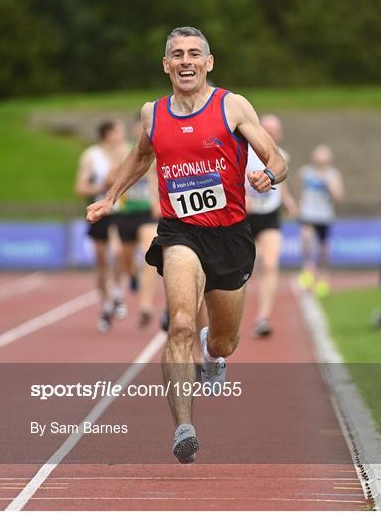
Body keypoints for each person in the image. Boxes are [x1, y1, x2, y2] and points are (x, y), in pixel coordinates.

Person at [86, 26, 288, 463]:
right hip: (179, 231)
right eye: (176, 54)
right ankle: (183, 426)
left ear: (208, 62)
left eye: (194, 53)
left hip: (230, 234)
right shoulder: (152, 113)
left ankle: (212, 352)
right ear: (166, 65)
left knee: (223, 343)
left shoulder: (231, 105)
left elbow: (276, 157)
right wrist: (111, 196)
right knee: (178, 324)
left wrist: (267, 175)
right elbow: (141, 156)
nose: (185, 61)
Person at [245, 114, 297, 337]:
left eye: (274, 130)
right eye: (266, 129)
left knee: (270, 262)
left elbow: (281, 184)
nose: (270, 133)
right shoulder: (244, 153)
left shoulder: (282, 155)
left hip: (269, 216)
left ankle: (263, 317)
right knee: (240, 269)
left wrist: (289, 202)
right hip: (244, 215)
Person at [75, 120, 128, 332]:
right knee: (102, 263)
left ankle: (116, 295)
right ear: (108, 134)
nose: (122, 135)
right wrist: (101, 186)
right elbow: (80, 187)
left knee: (119, 253)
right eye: (119, 132)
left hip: (122, 212)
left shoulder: (128, 152)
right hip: (99, 212)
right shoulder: (91, 155)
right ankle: (106, 306)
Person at [114, 115, 160, 327]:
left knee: (148, 254)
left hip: (146, 213)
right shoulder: (124, 152)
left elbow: (155, 178)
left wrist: (156, 202)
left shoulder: (156, 151)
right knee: (126, 260)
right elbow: (113, 177)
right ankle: (132, 277)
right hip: (124, 213)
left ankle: (145, 305)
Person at [297, 144, 344, 296]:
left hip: (324, 216)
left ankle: (323, 278)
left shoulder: (333, 174)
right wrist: (299, 206)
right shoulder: (305, 172)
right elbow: (298, 190)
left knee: (323, 250)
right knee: (306, 237)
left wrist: (329, 184)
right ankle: (308, 269)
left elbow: (339, 197)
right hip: (308, 214)